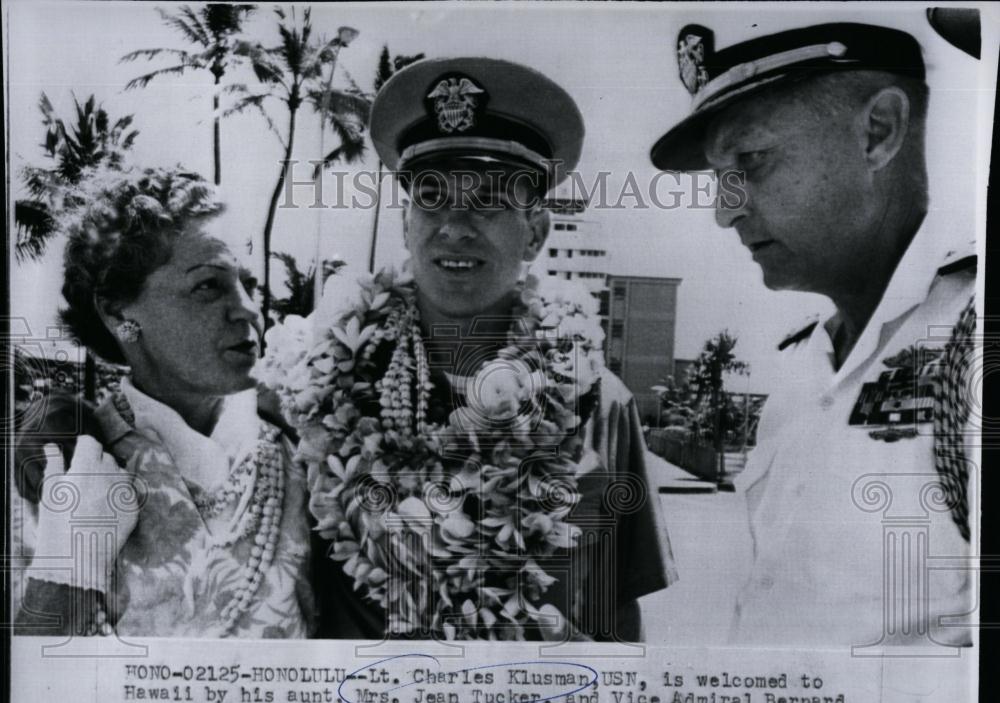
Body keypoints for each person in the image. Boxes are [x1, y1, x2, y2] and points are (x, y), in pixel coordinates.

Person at [259, 57, 677, 641]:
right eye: (431, 198)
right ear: (406, 223)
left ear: (535, 231)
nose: (455, 225)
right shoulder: (313, 392)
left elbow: (615, 616)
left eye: (487, 200)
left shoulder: (599, 403)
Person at [650, 22, 976, 648]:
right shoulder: (801, 363)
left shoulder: (971, 336)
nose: (725, 210)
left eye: (751, 161)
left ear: (877, 132)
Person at [13, 166, 317, 638]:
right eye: (208, 285)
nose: (249, 309)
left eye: (249, 285)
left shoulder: (310, 453)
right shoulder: (60, 469)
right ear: (118, 313)